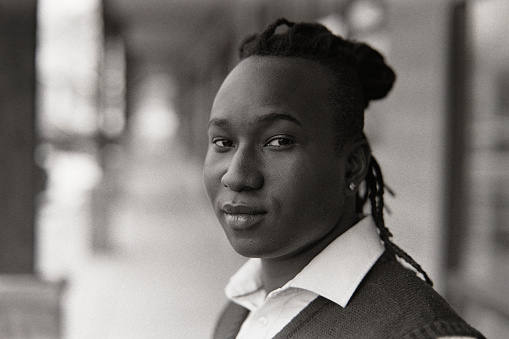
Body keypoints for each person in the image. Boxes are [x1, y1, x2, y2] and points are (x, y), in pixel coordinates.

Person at [203, 18, 485, 339]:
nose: (238, 176)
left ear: (352, 165)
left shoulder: (420, 332)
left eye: (279, 141)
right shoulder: (243, 305)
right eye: (223, 142)